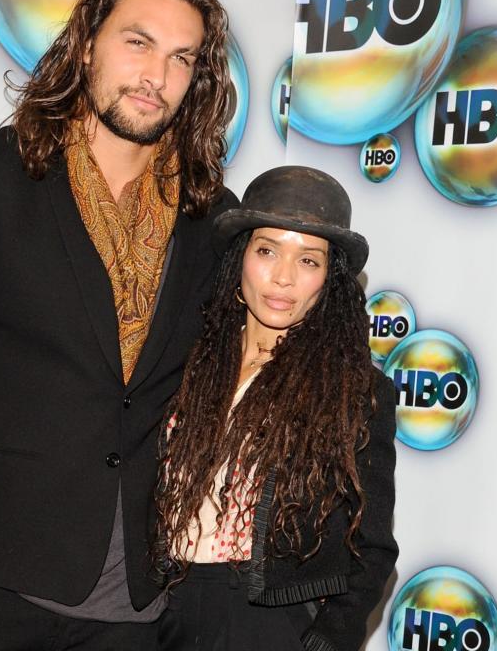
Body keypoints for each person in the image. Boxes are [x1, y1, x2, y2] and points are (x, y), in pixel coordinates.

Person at [0, 0, 238, 651]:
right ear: (88, 41)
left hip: (136, 610)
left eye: (181, 58)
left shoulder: (213, 218)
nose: (156, 77)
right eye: (138, 43)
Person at [154, 166, 398, 651]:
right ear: (239, 257)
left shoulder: (355, 391)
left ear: (330, 278)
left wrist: (329, 637)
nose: (283, 278)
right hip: (164, 611)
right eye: (267, 250)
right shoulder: (185, 364)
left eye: (309, 261)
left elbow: (373, 547)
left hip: (270, 624)